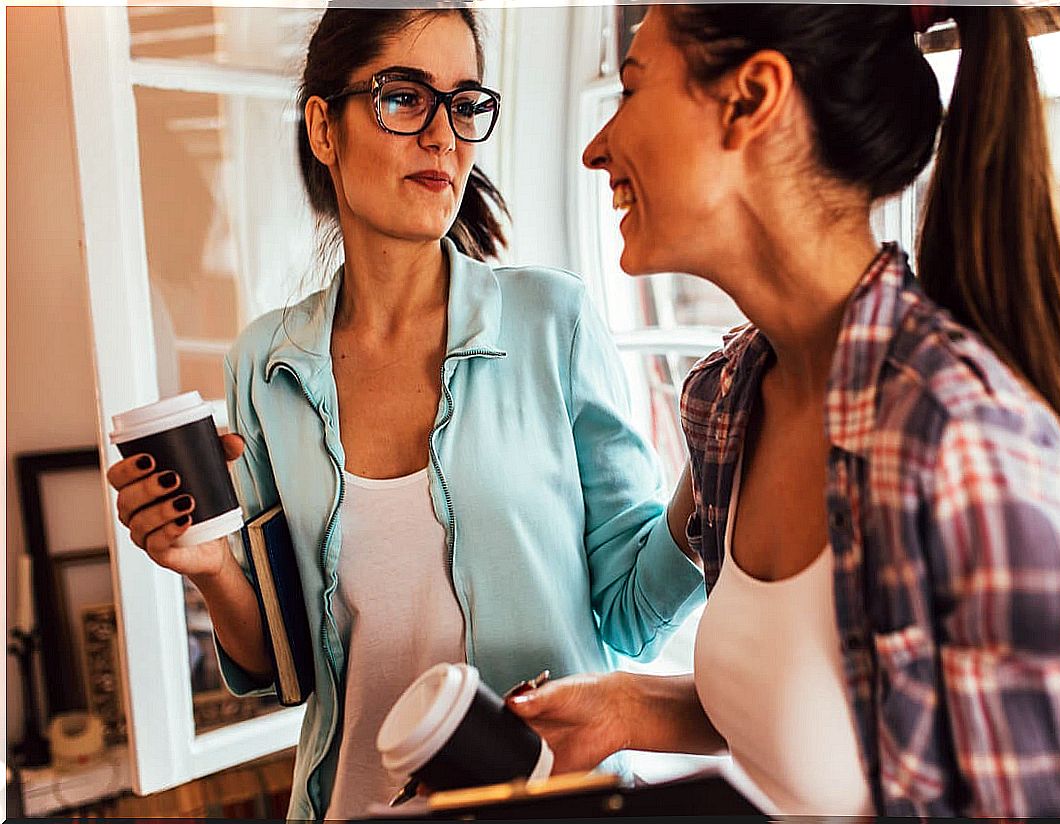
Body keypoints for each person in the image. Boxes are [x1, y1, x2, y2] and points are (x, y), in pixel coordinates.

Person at [506, 4, 1060, 817]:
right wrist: (628, 707)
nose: (597, 147)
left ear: (750, 98)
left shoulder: (958, 448)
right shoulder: (727, 401)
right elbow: (828, 718)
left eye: (632, 89)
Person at [105, 7, 704, 819]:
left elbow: (631, 614)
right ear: (324, 125)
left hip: (553, 802)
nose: (443, 137)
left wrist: (714, 468)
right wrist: (208, 565)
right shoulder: (266, 365)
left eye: (463, 104)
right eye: (404, 98)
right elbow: (286, 668)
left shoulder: (549, 321)